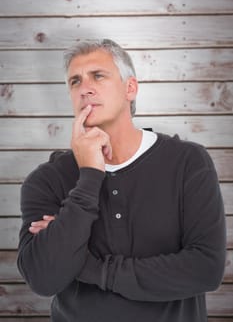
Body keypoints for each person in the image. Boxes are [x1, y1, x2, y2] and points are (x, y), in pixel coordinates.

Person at [17, 39, 226, 322]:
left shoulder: (188, 162)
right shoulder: (46, 179)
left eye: (98, 76)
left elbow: (206, 269)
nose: (85, 88)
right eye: (75, 81)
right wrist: (90, 175)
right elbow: (43, 279)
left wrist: (90, 268)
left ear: (130, 88)